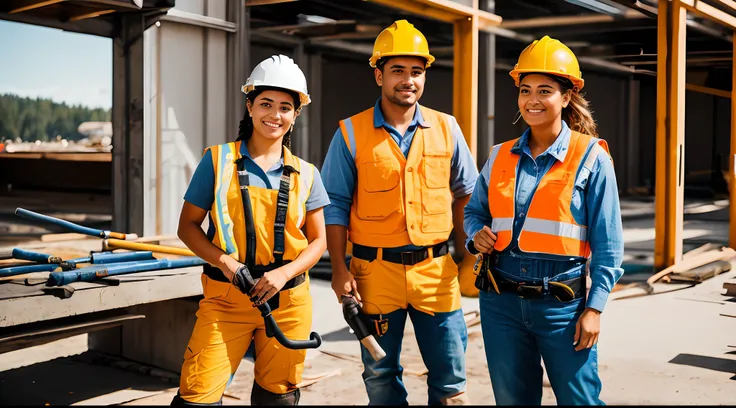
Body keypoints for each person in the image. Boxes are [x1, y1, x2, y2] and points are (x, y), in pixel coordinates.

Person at [321, 19, 479, 406]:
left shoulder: (447, 128)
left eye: (416, 71)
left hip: (436, 271)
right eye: (397, 71)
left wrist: (468, 257)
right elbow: (335, 205)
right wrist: (339, 269)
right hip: (374, 274)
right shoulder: (350, 133)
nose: (408, 80)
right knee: (380, 374)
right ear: (378, 75)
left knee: (450, 376)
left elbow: (467, 194)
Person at [463, 35, 624, 405]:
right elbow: (475, 211)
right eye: (525, 90)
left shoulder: (592, 158)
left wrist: (594, 308)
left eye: (545, 90)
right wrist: (476, 236)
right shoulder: (500, 155)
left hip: (562, 306)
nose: (532, 100)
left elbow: (609, 245)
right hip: (500, 301)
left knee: (579, 400)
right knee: (512, 400)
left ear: (566, 96)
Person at [171, 55, 330, 406]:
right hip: (227, 299)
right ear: (249, 105)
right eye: (266, 104)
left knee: (279, 396)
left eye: (285, 107)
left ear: (296, 115)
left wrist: (283, 273)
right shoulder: (217, 161)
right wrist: (227, 263)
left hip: (288, 301)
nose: (275, 115)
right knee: (197, 394)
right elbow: (187, 226)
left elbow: (319, 241)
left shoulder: (308, 174)